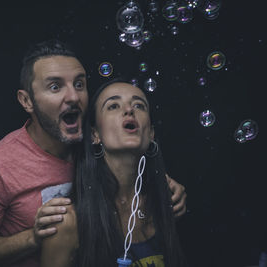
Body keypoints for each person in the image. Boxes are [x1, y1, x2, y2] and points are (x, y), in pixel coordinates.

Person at [0, 40, 187, 267]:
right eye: (55, 87)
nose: (73, 97)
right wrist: (33, 238)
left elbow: (129, 164)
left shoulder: (97, 137)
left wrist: (163, 185)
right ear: (26, 101)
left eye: (79, 84)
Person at [41, 78, 187, 267]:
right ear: (95, 135)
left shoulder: (167, 204)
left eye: (139, 106)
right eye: (113, 106)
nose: (129, 110)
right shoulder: (69, 222)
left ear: (151, 133)